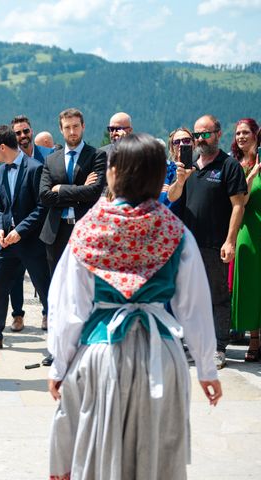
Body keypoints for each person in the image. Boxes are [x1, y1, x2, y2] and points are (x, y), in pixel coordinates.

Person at [47, 133, 222, 479]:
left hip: (102, 355)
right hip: (163, 357)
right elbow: (194, 307)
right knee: (157, 455)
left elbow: (70, 307)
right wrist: (206, 368)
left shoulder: (89, 229)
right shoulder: (176, 231)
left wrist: (59, 364)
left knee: (102, 449)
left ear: (113, 173)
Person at [167, 114, 247, 369]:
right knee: (187, 297)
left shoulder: (229, 165)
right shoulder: (189, 165)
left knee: (217, 297)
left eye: (206, 134)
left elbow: (238, 206)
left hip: (214, 244)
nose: (201, 139)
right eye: (197, 134)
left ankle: (219, 347)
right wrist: (180, 179)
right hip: (187, 243)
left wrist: (230, 240)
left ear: (218, 134)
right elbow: (172, 196)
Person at [39, 108, 106, 364]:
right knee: (58, 292)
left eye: (76, 126)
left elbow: (94, 192)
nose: (72, 132)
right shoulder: (51, 160)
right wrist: (78, 189)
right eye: (67, 127)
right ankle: (57, 347)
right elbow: (45, 196)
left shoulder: (96, 155)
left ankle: (85, 344)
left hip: (85, 232)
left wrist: (62, 190)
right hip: (56, 233)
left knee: (85, 290)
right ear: (61, 129)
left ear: (83, 126)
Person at [0, 125, 48, 350]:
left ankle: (60, 340)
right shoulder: (2, 170)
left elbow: (41, 207)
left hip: (32, 242)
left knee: (46, 291)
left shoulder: (36, 169)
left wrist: (20, 231)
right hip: (6, 242)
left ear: (2, 147)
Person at [10, 115, 54, 331]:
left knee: (43, 273)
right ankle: (17, 315)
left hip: (45, 223)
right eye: (18, 133)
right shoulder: (11, 158)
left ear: (32, 131)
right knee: (16, 273)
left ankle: (48, 312)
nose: (22, 136)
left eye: (25, 131)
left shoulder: (49, 155)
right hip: (19, 225)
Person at [230, 118, 261, 361]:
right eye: (238, 133)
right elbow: (242, 200)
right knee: (250, 285)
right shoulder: (235, 165)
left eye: (246, 132)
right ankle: (254, 338)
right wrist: (251, 175)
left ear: (256, 134)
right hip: (247, 232)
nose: (241, 137)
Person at [162, 127, 194, 209]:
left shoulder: (199, 168)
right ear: (172, 147)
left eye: (186, 140)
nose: (181, 144)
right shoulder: (165, 171)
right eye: (176, 142)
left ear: (194, 143)